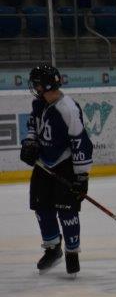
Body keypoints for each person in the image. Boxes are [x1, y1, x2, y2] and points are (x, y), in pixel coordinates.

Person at [20, 64, 93, 276]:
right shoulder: (39, 104)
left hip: (65, 165)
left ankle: (72, 252)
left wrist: (82, 176)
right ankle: (53, 248)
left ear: (46, 85)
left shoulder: (68, 109)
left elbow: (80, 142)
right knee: (41, 207)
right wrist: (30, 144)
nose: (34, 87)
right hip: (43, 164)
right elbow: (33, 127)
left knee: (67, 210)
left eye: (37, 84)